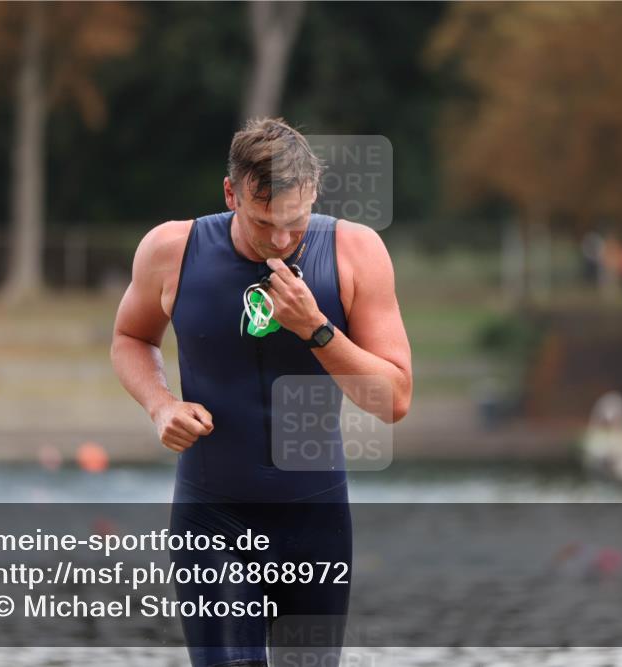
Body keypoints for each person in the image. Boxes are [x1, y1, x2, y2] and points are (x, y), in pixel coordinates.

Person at [110, 118, 412, 667]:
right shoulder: (171, 249)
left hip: (315, 523)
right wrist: (161, 405)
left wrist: (316, 329)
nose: (278, 239)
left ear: (314, 193)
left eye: (294, 223)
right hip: (214, 519)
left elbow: (392, 400)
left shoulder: (356, 252)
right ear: (231, 193)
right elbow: (129, 338)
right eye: (262, 221)